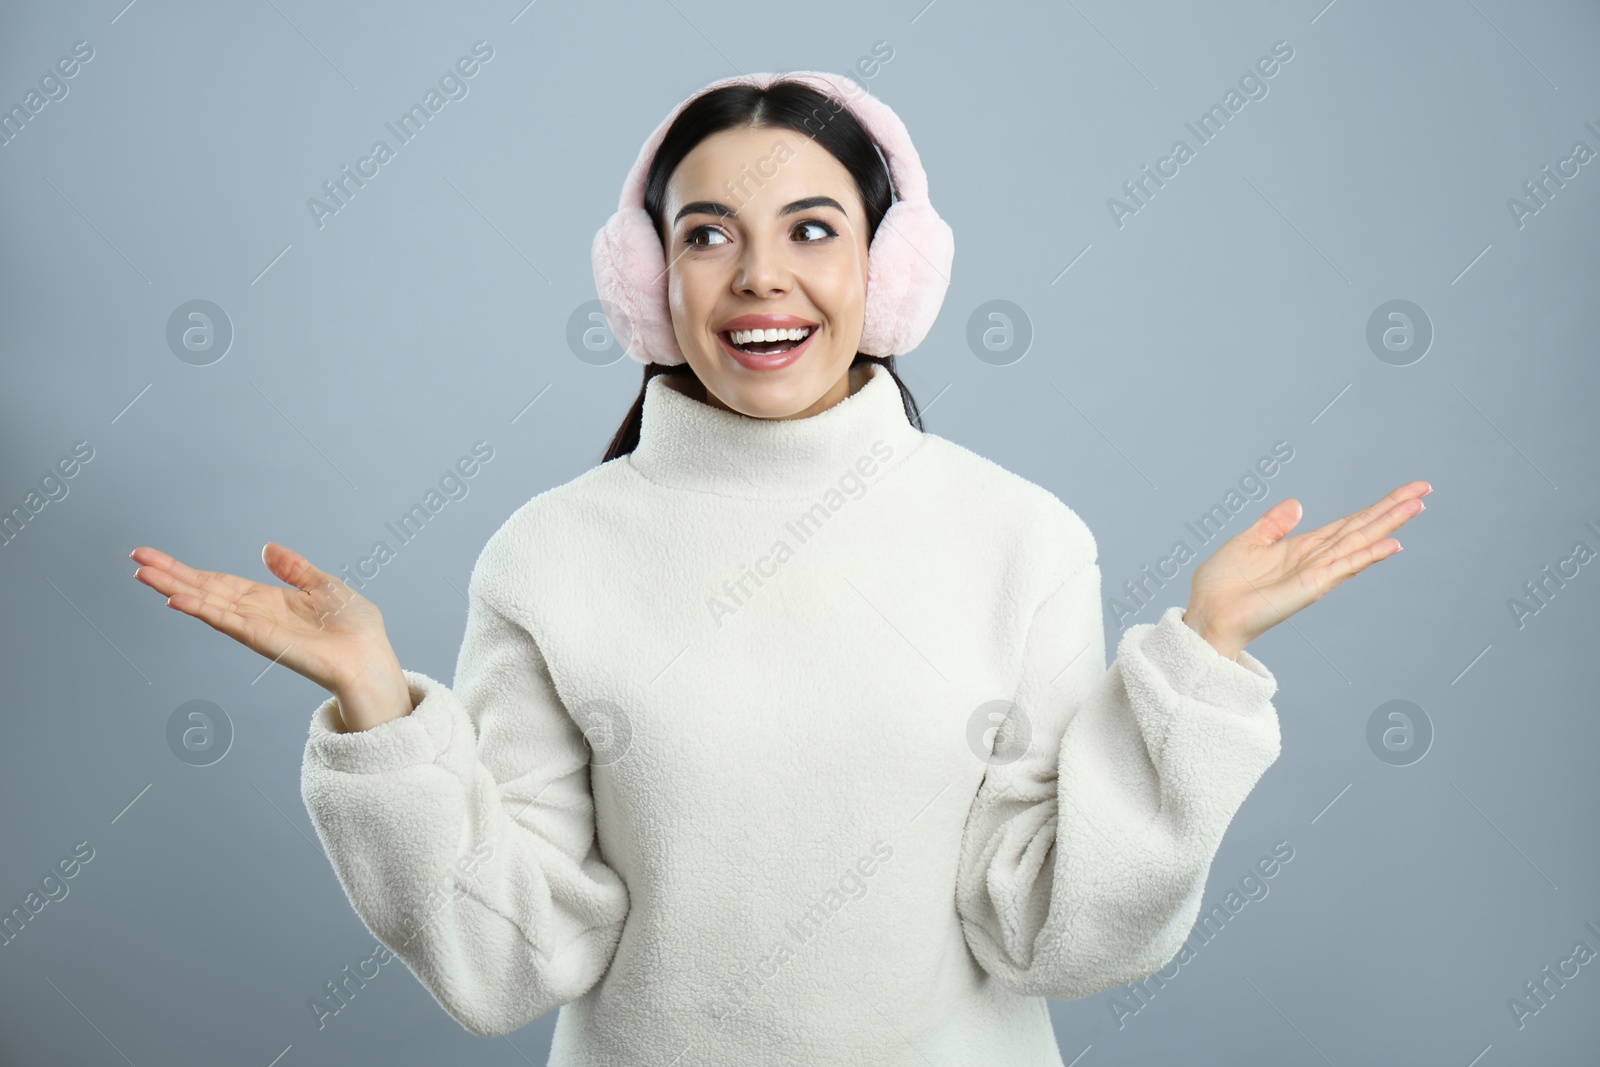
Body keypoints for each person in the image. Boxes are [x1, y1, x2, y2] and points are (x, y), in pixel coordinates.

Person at [129, 70, 1429, 1064]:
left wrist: (1195, 672)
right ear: (650, 278)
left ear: (889, 267)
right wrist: (382, 714)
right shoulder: (551, 552)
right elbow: (509, 960)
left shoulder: (1022, 540)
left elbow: (1057, 933)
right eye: (707, 235)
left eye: (813, 229)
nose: (761, 278)